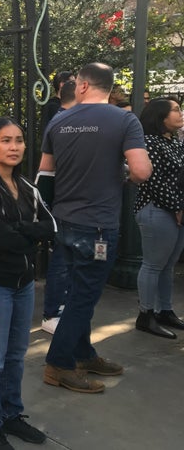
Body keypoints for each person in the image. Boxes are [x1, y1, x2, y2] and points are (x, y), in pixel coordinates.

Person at [40, 62, 152, 394]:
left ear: (84, 86)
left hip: (65, 222)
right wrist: (124, 173)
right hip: (99, 226)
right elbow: (142, 172)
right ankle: (58, 365)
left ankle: (83, 353)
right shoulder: (124, 120)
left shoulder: (59, 121)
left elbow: (45, 177)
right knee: (83, 299)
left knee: (77, 293)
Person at [0, 117, 55, 450]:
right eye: (6, 140)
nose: (14, 146)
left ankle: (11, 414)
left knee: (17, 355)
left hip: (23, 282)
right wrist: (29, 235)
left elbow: (50, 226)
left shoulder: (28, 186)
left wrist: (25, 232)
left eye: (19, 140)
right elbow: (4, 238)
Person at [134, 98, 184, 339]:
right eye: (175, 110)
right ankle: (145, 315)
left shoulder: (174, 142)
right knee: (153, 265)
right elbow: (154, 181)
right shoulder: (148, 142)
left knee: (167, 265)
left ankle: (164, 310)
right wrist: (176, 207)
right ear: (160, 116)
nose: (180, 113)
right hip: (156, 210)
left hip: (176, 210)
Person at [40, 78, 77, 335]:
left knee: (68, 260)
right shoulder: (64, 122)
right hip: (66, 203)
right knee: (63, 260)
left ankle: (59, 309)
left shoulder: (69, 121)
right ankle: (53, 312)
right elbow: (47, 171)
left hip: (68, 202)